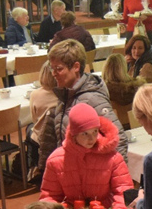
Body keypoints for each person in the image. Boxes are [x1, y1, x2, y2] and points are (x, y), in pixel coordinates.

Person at [36, 39, 127, 167]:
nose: (53, 74)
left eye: (58, 69)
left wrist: (115, 176)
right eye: (52, 68)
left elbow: (119, 140)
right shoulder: (66, 95)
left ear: (76, 67)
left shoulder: (92, 99)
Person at [40, 103, 134, 209]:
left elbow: (124, 191)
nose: (91, 138)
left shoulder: (112, 158)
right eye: (85, 133)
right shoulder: (56, 160)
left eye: (95, 131)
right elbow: (49, 196)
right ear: (74, 134)